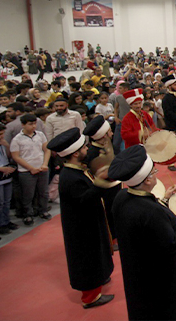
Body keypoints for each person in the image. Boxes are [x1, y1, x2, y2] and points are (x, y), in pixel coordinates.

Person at [109, 145, 176, 321]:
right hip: (158, 278)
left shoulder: (122, 197)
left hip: (136, 271)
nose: (156, 174)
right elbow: (171, 243)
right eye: (154, 171)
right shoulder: (152, 213)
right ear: (147, 180)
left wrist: (163, 200)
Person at [47, 128, 114, 309]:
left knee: (97, 253)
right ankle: (90, 297)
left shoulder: (75, 170)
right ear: (76, 153)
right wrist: (101, 184)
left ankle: (99, 278)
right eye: (84, 147)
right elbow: (84, 200)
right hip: (82, 228)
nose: (87, 149)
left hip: (90, 221)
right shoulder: (70, 177)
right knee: (87, 258)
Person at [83, 115, 121, 248]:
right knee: (108, 213)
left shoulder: (107, 145)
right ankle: (111, 238)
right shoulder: (92, 153)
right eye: (109, 131)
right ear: (103, 135)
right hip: (103, 189)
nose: (111, 133)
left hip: (114, 184)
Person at [10, 114, 51, 226]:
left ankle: (43, 210)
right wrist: (31, 168)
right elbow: (16, 157)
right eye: (30, 124)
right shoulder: (17, 139)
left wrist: (45, 164)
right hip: (26, 171)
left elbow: (47, 150)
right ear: (23, 125)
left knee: (44, 192)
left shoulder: (40, 135)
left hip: (42, 168)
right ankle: (28, 214)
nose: (33, 126)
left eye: (34, 124)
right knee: (28, 194)